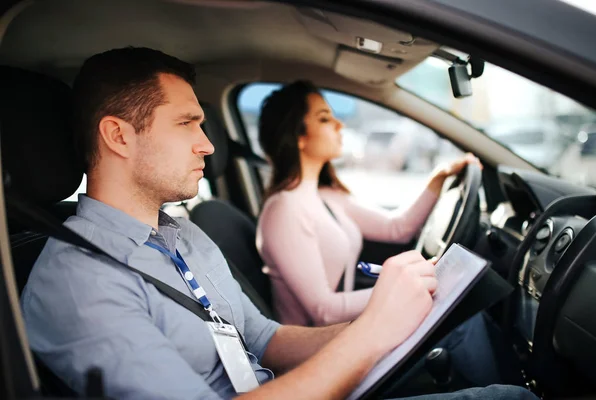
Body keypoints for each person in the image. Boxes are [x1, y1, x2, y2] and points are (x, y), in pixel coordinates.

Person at [21, 47, 536, 400]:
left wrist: (379, 325)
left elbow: (264, 338)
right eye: (186, 124)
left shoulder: (182, 232)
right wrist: (374, 330)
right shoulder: (77, 280)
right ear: (119, 136)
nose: (208, 145)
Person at [255, 80, 504, 386]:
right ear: (298, 137)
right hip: (318, 358)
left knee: (465, 310)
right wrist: (403, 289)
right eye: (324, 118)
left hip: (348, 333)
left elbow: (397, 228)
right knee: (463, 322)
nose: (339, 124)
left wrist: (438, 178)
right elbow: (322, 311)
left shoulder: (324, 196)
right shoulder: (284, 210)